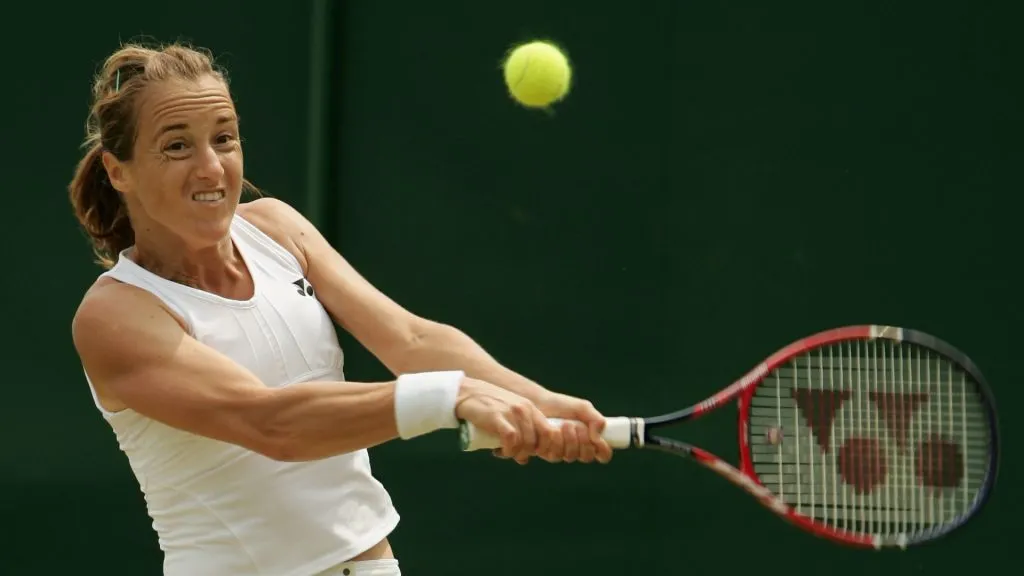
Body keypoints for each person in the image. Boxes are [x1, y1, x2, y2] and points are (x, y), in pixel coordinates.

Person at [68, 41, 613, 576]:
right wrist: (453, 395)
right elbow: (273, 423)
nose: (212, 168)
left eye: (225, 139)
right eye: (177, 147)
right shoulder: (117, 316)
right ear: (120, 172)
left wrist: (537, 401)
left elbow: (412, 341)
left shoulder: (278, 228)